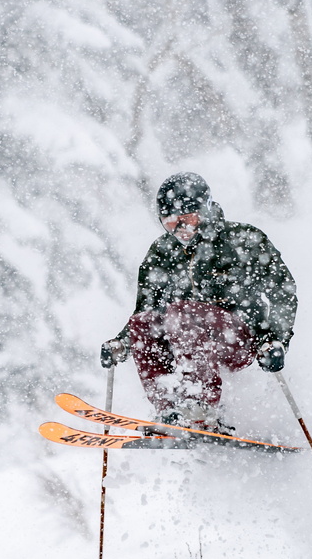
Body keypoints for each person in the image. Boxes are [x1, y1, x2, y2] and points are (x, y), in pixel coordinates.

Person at [100, 172, 297, 435]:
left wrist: (275, 340)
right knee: (145, 323)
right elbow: (145, 310)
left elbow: (282, 291)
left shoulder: (241, 239)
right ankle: (170, 409)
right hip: (185, 341)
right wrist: (121, 344)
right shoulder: (161, 253)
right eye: (170, 223)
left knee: (184, 311)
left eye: (189, 219)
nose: (181, 229)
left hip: (239, 339)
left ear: (205, 211)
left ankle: (201, 407)